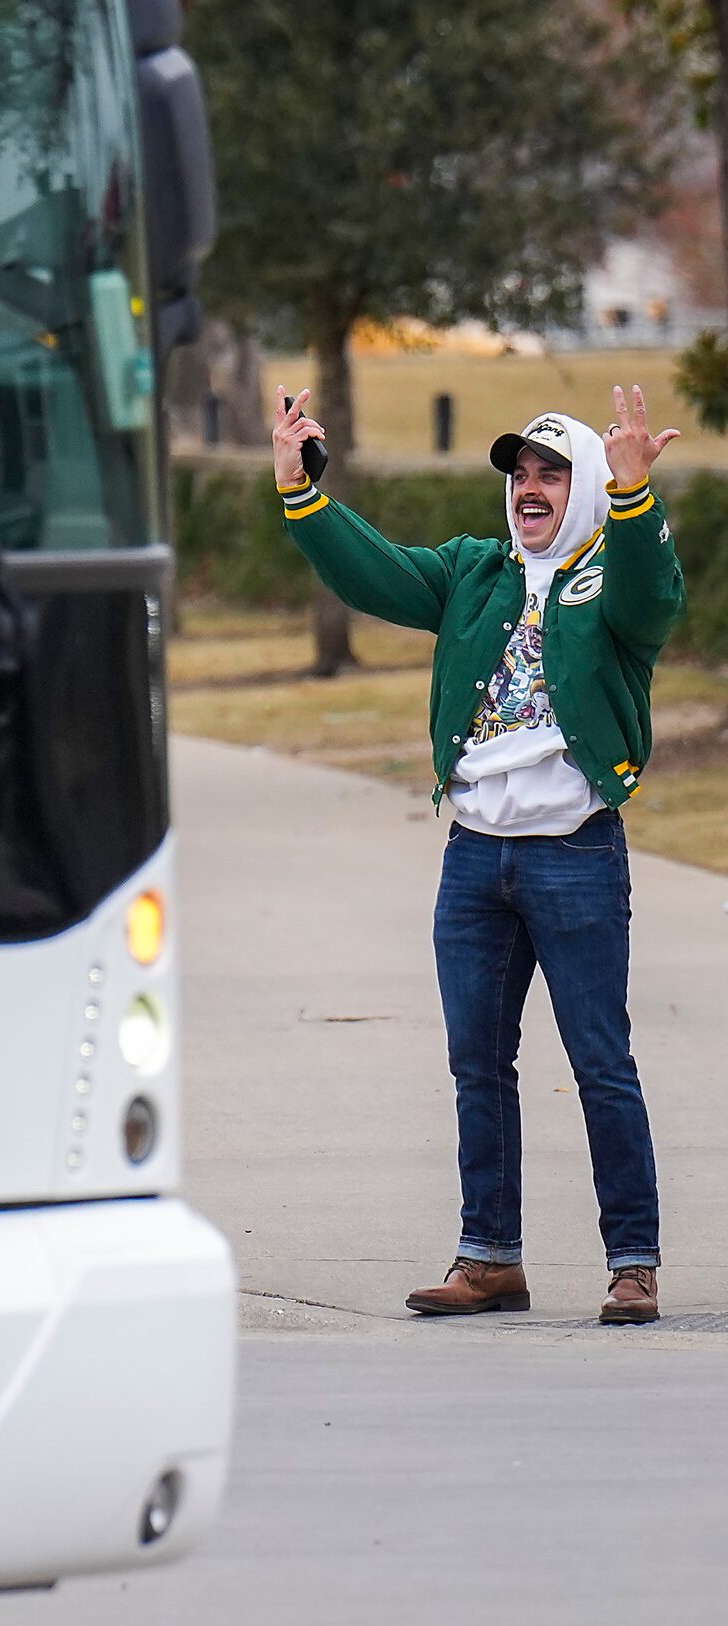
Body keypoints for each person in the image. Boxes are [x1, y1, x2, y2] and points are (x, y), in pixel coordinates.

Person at [272, 386, 684, 1324]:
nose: (528, 488)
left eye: (550, 474)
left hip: (573, 856)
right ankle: (489, 1257)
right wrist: (300, 491)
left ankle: (632, 1261)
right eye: (518, 474)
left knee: (598, 1061)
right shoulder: (474, 571)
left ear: (581, 493)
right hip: (474, 861)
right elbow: (372, 571)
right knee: (476, 1065)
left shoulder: (607, 576)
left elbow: (654, 600)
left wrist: (630, 494)